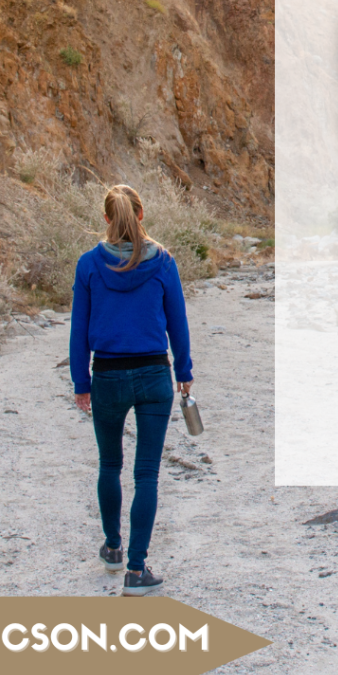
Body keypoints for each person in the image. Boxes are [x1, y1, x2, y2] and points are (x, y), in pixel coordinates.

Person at [70, 184, 193, 596]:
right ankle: (137, 571)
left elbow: (79, 332)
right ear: (141, 216)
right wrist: (185, 371)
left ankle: (112, 548)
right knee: (147, 474)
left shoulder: (88, 265)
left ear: (107, 219)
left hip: (106, 375)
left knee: (109, 465)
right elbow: (178, 322)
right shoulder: (163, 263)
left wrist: (80, 382)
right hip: (155, 375)